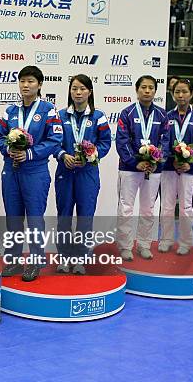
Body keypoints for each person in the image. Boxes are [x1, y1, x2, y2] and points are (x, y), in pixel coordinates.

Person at [0, 66, 63, 281]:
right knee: (13, 219)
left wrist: (30, 154)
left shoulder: (48, 110)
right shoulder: (11, 111)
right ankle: (13, 260)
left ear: (40, 84)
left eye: (31, 81)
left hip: (35, 171)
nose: (26, 85)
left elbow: (55, 140)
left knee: (34, 219)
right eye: (22, 81)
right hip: (11, 170)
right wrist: (9, 149)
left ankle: (35, 262)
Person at [53, 75, 111, 274]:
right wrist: (62, 155)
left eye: (82, 89)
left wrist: (92, 155)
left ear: (90, 92)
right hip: (65, 173)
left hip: (88, 173)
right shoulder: (59, 115)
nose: (78, 93)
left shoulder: (98, 117)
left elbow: (105, 143)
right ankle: (63, 257)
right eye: (74, 88)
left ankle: (80, 259)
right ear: (69, 91)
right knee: (64, 217)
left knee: (85, 217)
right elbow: (53, 142)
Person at [115, 76, 170, 261]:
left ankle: (144, 244)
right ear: (137, 90)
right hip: (130, 169)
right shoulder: (127, 113)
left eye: (151, 88)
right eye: (143, 87)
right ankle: (125, 246)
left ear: (155, 91)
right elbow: (122, 141)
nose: (147, 91)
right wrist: (135, 162)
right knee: (126, 208)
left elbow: (166, 141)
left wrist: (156, 160)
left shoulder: (163, 115)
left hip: (153, 170)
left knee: (148, 208)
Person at [160, 79, 193, 255]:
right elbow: (163, 141)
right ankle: (166, 240)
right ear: (172, 95)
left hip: (190, 170)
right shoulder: (167, 116)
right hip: (168, 169)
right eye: (177, 92)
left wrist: (191, 164)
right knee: (166, 206)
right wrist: (170, 161)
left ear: (191, 94)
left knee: (186, 208)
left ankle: (185, 242)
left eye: (184, 92)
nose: (181, 96)